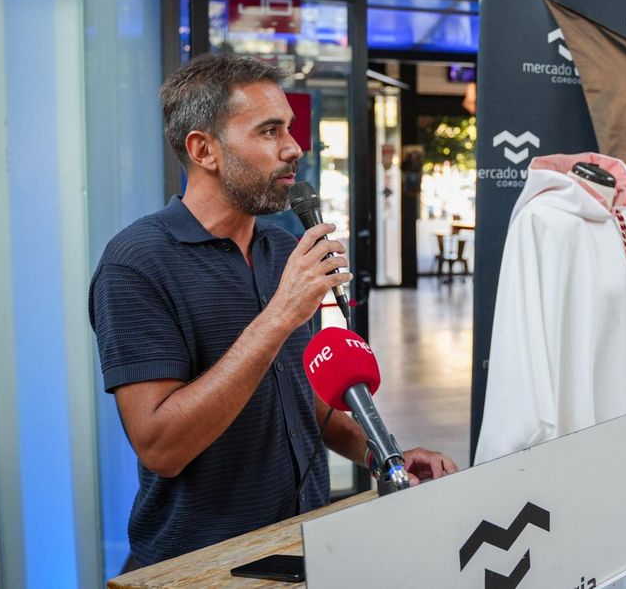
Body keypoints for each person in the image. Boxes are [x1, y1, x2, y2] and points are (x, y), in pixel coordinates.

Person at [90, 54, 457, 571]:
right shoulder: (137, 263)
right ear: (203, 149)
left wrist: (382, 453)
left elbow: (306, 399)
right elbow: (161, 447)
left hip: (304, 546)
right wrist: (280, 315)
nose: (293, 148)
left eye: (288, 127)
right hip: (200, 566)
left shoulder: (283, 250)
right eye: (269, 131)